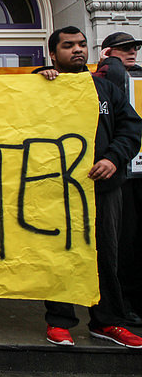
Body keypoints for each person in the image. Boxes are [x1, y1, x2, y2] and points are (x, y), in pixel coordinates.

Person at [37, 26, 142, 348]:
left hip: (103, 189)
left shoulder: (106, 88)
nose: (78, 50)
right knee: (60, 253)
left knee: (105, 254)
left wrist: (113, 159)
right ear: (53, 54)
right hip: (57, 189)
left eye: (82, 44)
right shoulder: (39, 86)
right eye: (68, 46)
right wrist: (36, 76)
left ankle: (107, 321)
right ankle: (59, 321)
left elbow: (130, 128)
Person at [94, 33, 142, 327]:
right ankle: (116, 307)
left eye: (134, 48)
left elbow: (130, 126)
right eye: (125, 50)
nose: (132, 53)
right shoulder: (102, 79)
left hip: (127, 172)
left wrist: (115, 156)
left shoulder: (133, 82)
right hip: (114, 180)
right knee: (118, 245)